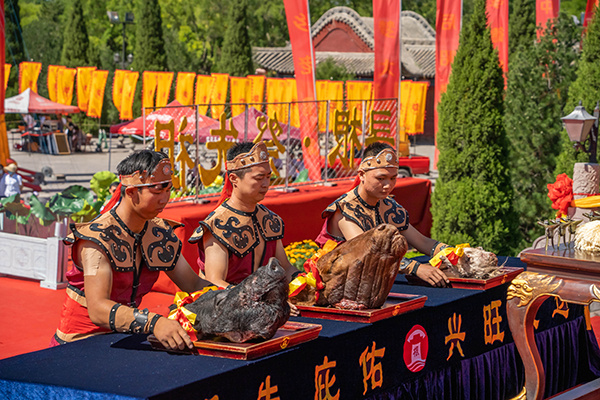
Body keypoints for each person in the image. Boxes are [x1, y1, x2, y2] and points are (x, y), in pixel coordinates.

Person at [53, 150, 214, 351]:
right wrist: (154, 322)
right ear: (131, 192)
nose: (165, 199)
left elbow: (194, 283)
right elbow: (98, 309)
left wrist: (233, 297)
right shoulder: (96, 238)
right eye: (157, 191)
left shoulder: (160, 233)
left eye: (168, 190)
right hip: (78, 343)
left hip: (126, 337)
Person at [315, 142, 451, 287]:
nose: (388, 185)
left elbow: (422, 242)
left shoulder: (389, 206)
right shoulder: (344, 210)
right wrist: (416, 268)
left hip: (376, 283)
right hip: (338, 286)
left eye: (393, 178)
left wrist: (453, 252)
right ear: (362, 175)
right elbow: (369, 254)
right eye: (381, 178)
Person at [189, 141, 300, 313]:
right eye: (258, 178)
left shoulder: (270, 219)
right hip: (225, 313)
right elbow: (214, 283)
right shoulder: (217, 226)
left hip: (265, 308)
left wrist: (308, 281)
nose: (265, 184)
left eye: (268, 177)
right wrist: (262, 302)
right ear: (234, 179)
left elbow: (285, 268)